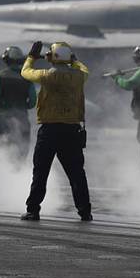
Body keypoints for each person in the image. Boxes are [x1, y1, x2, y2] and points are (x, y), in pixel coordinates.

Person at [20, 41, 92, 221]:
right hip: (71, 130)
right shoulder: (79, 76)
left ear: (52, 57)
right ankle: (85, 212)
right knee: (77, 174)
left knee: (41, 171)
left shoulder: (46, 75)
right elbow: (85, 70)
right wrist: (74, 60)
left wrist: (30, 58)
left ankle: (33, 210)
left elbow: (25, 72)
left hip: (49, 130)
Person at [0, 45, 37, 161]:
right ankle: (19, 172)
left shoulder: (0, 76)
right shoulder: (27, 77)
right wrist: (23, 106)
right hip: (22, 117)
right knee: (22, 149)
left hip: (3, 117)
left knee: (4, 148)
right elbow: (32, 101)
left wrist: (3, 105)